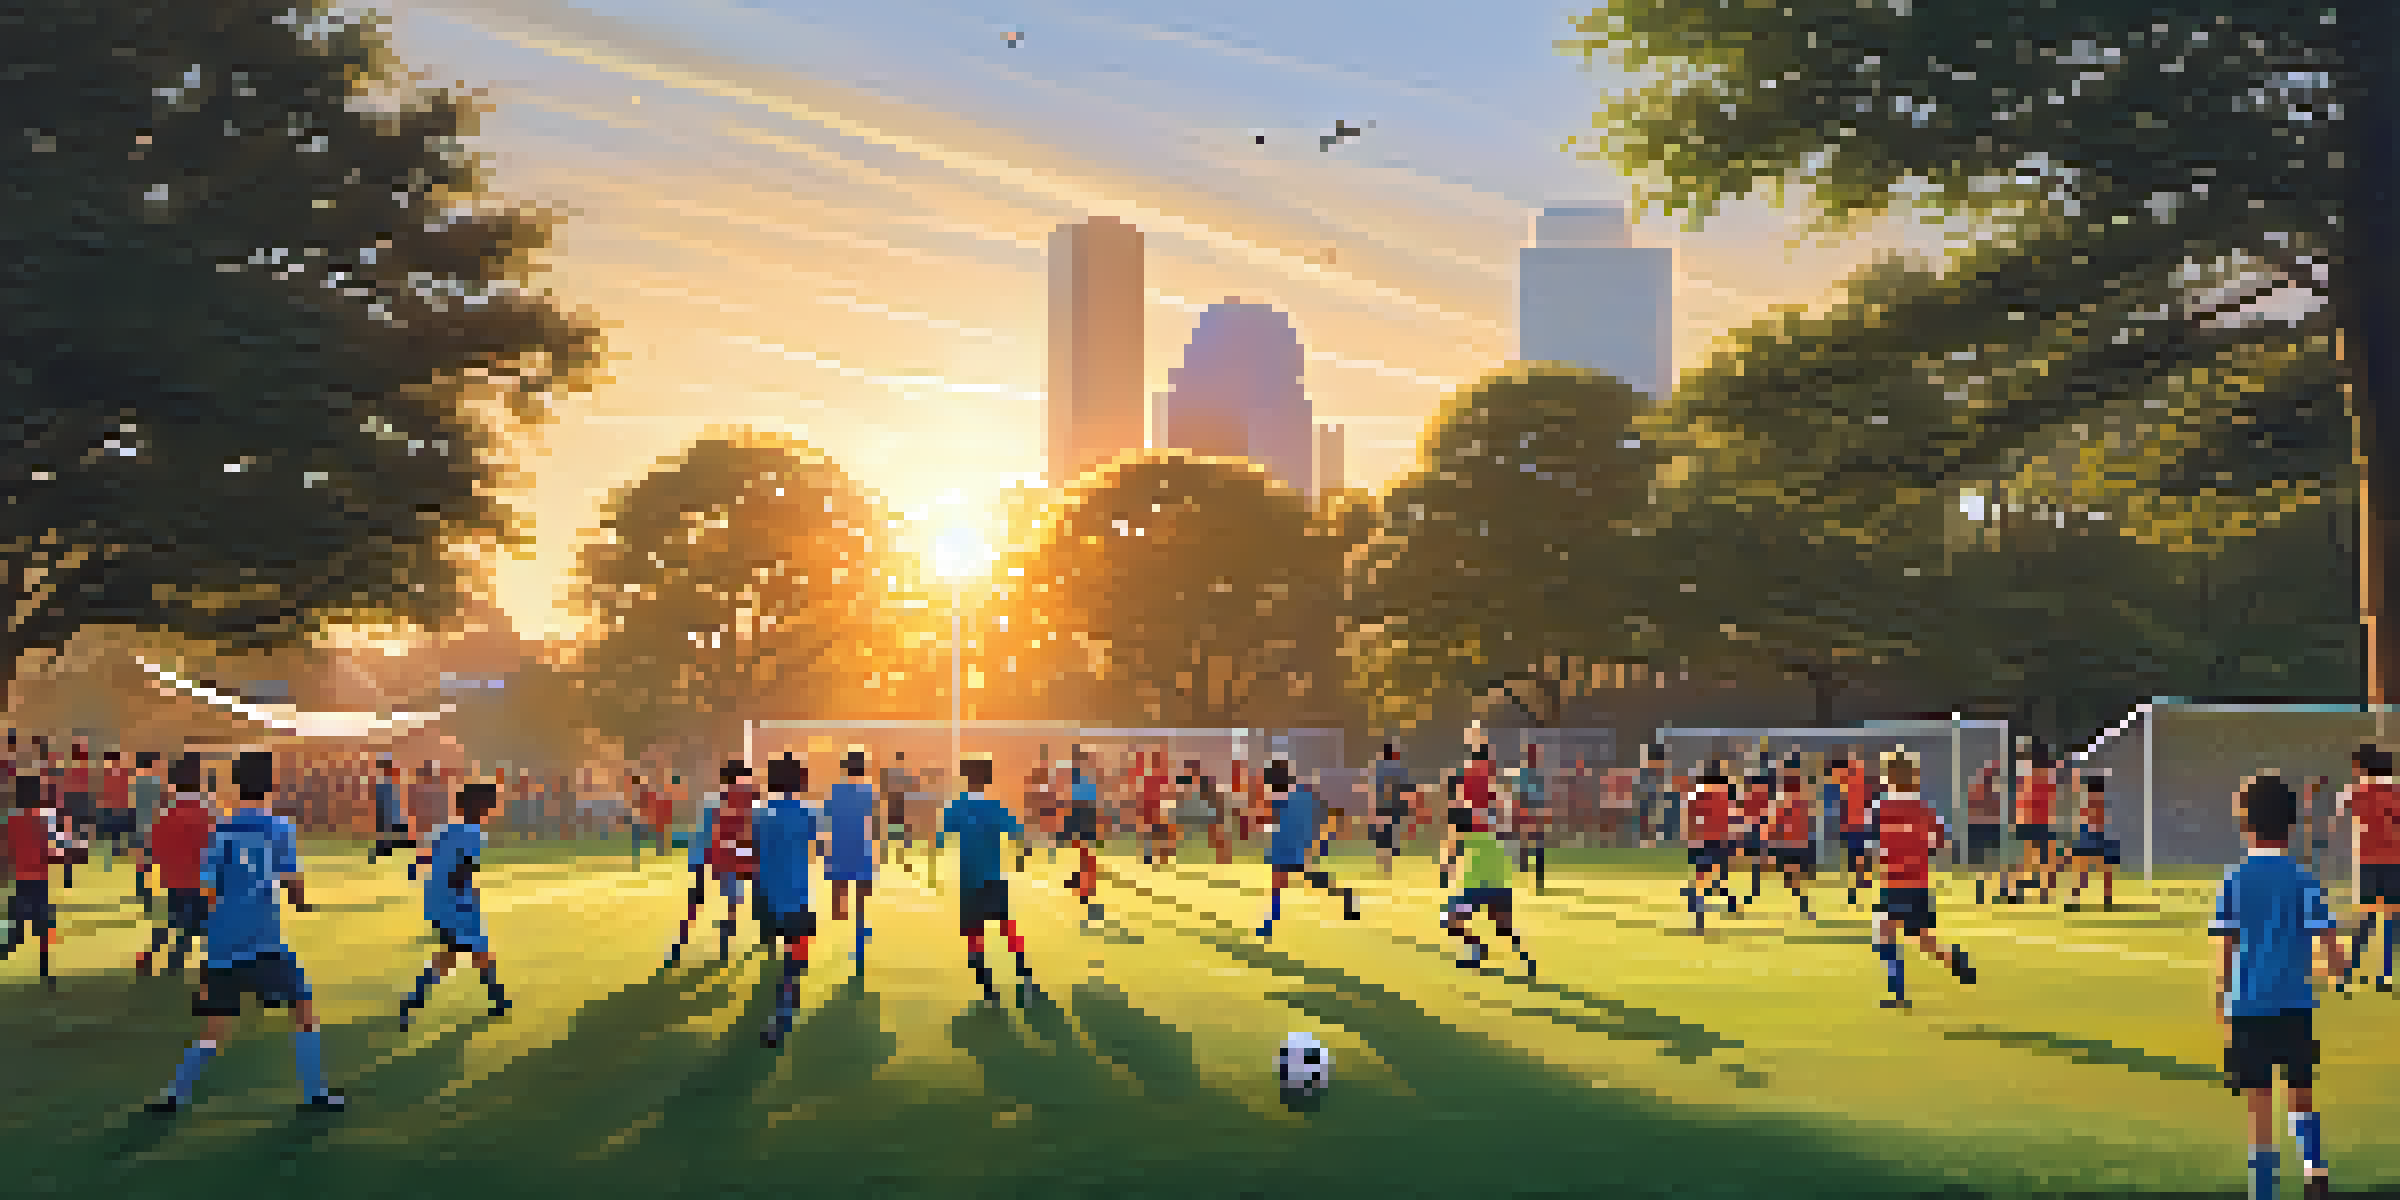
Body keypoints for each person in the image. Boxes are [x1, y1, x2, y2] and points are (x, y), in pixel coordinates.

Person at [146, 751, 343, 1114]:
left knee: (214, 1028)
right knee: (303, 1007)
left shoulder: (220, 830)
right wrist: (303, 904)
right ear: (271, 785)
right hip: (263, 941)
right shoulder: (280, 829)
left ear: (236, 785)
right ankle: (316, 1093)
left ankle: (174, 1094)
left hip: (223, 942)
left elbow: (208, 892)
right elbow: (293, 889)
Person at [2212, 772, 2345, 1200]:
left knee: (2259, 1106)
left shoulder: (2233, 880)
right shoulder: (2305, 879)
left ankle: (2263, 1191)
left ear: (2244, 823)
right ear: (2290, 824)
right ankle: (2314, 1169)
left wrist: (2221, 998)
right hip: (2295, 1005)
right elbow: (2333, 952)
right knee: (2301, 1093)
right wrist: (2332, 971)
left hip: (2248, 1005)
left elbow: (2227, 948)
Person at [397, 782, 512, 1029]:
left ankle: (499, 1000)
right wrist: (468, 891)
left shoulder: (447, 829)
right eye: (490, 804)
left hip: (437, 901)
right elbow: (461, 871)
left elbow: (426, 856)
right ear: (481, 808)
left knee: (461, 954)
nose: (492, 809)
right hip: (457, 902)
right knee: (461, 955)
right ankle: (410, 1003)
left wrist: (416, 869)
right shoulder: (474, 834)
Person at [1870, 752, 1976, 1011]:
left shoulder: (1881, 808)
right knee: (1922, 938)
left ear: (1888, 777)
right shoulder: (1924, 808)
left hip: (1894, 882)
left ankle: (1898, 993)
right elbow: (1943, 841)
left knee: (1884, 932)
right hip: (1919, 883)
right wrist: (1921, 848)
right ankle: (1953, 958)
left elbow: (1873, 847)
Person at [943, 754, 1036, 1008]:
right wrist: (1024, 850)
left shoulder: (957, 806)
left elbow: (943, 832)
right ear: (987, 780)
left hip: (970, 881)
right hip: (994, 879)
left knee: (975, 936)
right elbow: (1019, 833)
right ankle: (1026, 978)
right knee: (1007, 926)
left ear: (966, 780)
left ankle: (989, 993)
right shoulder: (995, 806)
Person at [754, 753, 819, 1047]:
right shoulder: (807, 812)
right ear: (800, 781)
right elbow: (814, 847)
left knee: (776, 952)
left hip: (765, 894)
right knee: (795, 957)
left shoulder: (759, 813)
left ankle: (778, 1003)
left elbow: (751, 850)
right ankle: (782, 1011)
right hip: (796, 895)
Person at [1257, 758, 1359, 939]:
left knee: (1299, 881)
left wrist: (1321, 837)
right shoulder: (1299, 793)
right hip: (1288, 846)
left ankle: (1346, 895)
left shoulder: (1294, 794)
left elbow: (1322, 813)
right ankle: (1270, 922)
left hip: (1292, 846)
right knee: (1282, 884)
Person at [135, 755, 215, 980]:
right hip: (202, 882)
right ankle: (173, 964)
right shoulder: (208, 813)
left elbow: (153, 851)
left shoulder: (164, 815)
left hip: (173, 881)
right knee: (196, 928)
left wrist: (146, 870)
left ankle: (153, 957)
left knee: (177, 922)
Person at [1440, 790, 1535, 978]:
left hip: (1476, 887)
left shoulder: (1469, 826)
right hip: (1498, 886)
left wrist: (1447, 869)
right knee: (1504, 926)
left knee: (1450, 919)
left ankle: (1476, 947)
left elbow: (1451, 848)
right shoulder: (1496, 826)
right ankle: (1523, 958)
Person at [3, 773, 84, 989]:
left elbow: (7, 852)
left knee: (16, 933)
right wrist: (70, 856)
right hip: (39, 883)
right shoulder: (40, 820)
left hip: (21, 882)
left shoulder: (11, 820)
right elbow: (47, 853)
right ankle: (47, 974)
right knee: (43, 929)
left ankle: (45, 974)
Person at [2337, 742, 2399, 995]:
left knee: (2367, 919)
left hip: (2369, 862)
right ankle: (2386, 974)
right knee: (2391, 920)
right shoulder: (2394, 791)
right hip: (2393, 862)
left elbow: (2343, 810)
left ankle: (2349, 972)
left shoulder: (2357, 791)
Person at [824, 747, 880, 965]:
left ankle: (853, 928)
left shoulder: (835, 791)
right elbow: (874, 822)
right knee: (860, 899)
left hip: (840, 850)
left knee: (843, 899)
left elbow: (827, 817)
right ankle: (859, 936)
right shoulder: (869, 792)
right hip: (860, 850)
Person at [704, 761, 760, 963]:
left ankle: (728, 932)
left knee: (734, 900)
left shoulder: (721, 799)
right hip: (740, 854)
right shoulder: (745, 797)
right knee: (750, 895)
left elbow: (714, 832)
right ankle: (734, 933)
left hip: (730, 855)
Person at [2001, 737, 2063, 904]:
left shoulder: (2028, 773)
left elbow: (2023, 799)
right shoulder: (2047, 774)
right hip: (2040, 822)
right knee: (2045, 861)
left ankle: (2012, 890)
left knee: (2024, 860)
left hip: (2028, 822)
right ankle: (2044, 893)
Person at [1680, 766, 1736, 933]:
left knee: (1702, 878)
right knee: (1717, 874)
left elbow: (1690, 815)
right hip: (1718, 840)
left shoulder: (1700, 792)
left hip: (1702, 839)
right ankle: (1722, 899)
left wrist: (1690, 837)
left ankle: (1698, 911)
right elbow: (1730, 818)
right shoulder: (1724, 793)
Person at [1764, 753, 1818, 920]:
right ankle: (1802, 905)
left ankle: (1803, 905)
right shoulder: (1788, 793)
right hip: (1789, 841)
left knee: (1798, 876)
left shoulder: (1801, 792)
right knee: (1793, 875)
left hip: (1798, 840)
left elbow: (1808, 816)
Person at [2065, 770, 2124, 911]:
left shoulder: (2091, 802)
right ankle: (2105, 901)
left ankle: (2077, 900)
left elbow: (2089, 819)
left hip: (2093, 835)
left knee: (2082, 868)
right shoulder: (2101, 802)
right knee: (2089, 869)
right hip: (2097, 835)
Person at [1061, 751, 1105, 925]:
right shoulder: (1082, 779)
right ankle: (1082, 885)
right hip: (1083, 815)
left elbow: (1081, 801)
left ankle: (1084, 889)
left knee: (1086, 855)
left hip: (1083, 815)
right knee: (1085, 855)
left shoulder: (1081, 779)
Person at [1833, 752, 1878, 907]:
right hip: (1855, 824)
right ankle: (1860, 884)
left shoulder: (1853, 778)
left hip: (1857, 824)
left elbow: (1867, 800)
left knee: (1857, 855)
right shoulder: (1855, 779)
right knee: (1857, 856)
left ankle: (1859, 886)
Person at [1965, 761, 2007, 904]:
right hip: (1986, 826)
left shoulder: (1979, 788)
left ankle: (1985, 893)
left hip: (1982, 826)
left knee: (1988, 862)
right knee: (1991, 861)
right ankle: (1991, 892)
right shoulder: (1989, 790)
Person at [1511, 743, 1551, 891]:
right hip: (1528, 814)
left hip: (1531, 814)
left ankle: (1534, 878)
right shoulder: (1526, 775)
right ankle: (1530, 876)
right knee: (1528, 845)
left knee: (1532, 846)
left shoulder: (1534, 775)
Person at [1371, 744, 1411, 879]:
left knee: (1384, 835)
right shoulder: (1398, 769)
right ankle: (1389, 865)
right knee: (1393, 834)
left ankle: (1385, 865)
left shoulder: (1380, 768)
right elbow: (1405, 787)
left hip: (1383, 807)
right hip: (1394, 806)